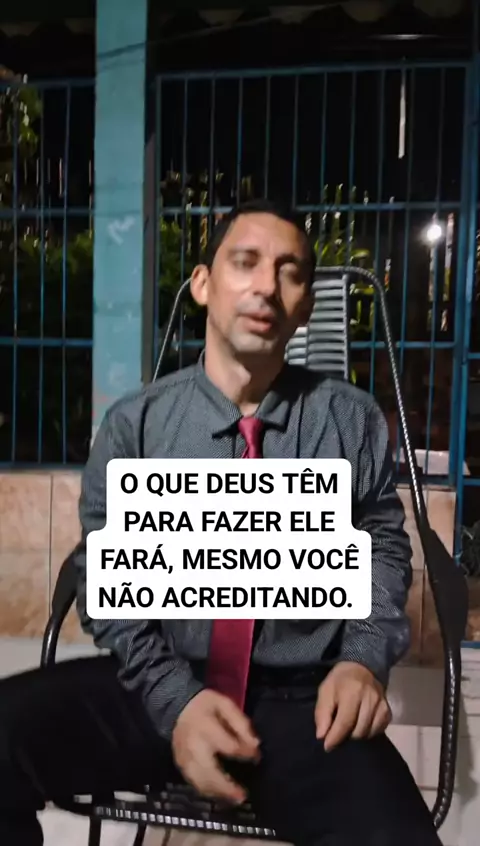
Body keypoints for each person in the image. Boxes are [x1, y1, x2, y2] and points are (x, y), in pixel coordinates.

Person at [0, 199, 442, 846]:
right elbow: (104, 576)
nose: (266, 285)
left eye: (290, 272)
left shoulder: (349, 422)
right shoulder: (135, 426)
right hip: (155, 683)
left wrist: (362, 662)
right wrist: (176, 700)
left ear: (304, 306)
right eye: (246, 262)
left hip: (303, 703)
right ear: (204, 284)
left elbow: (381, 548)